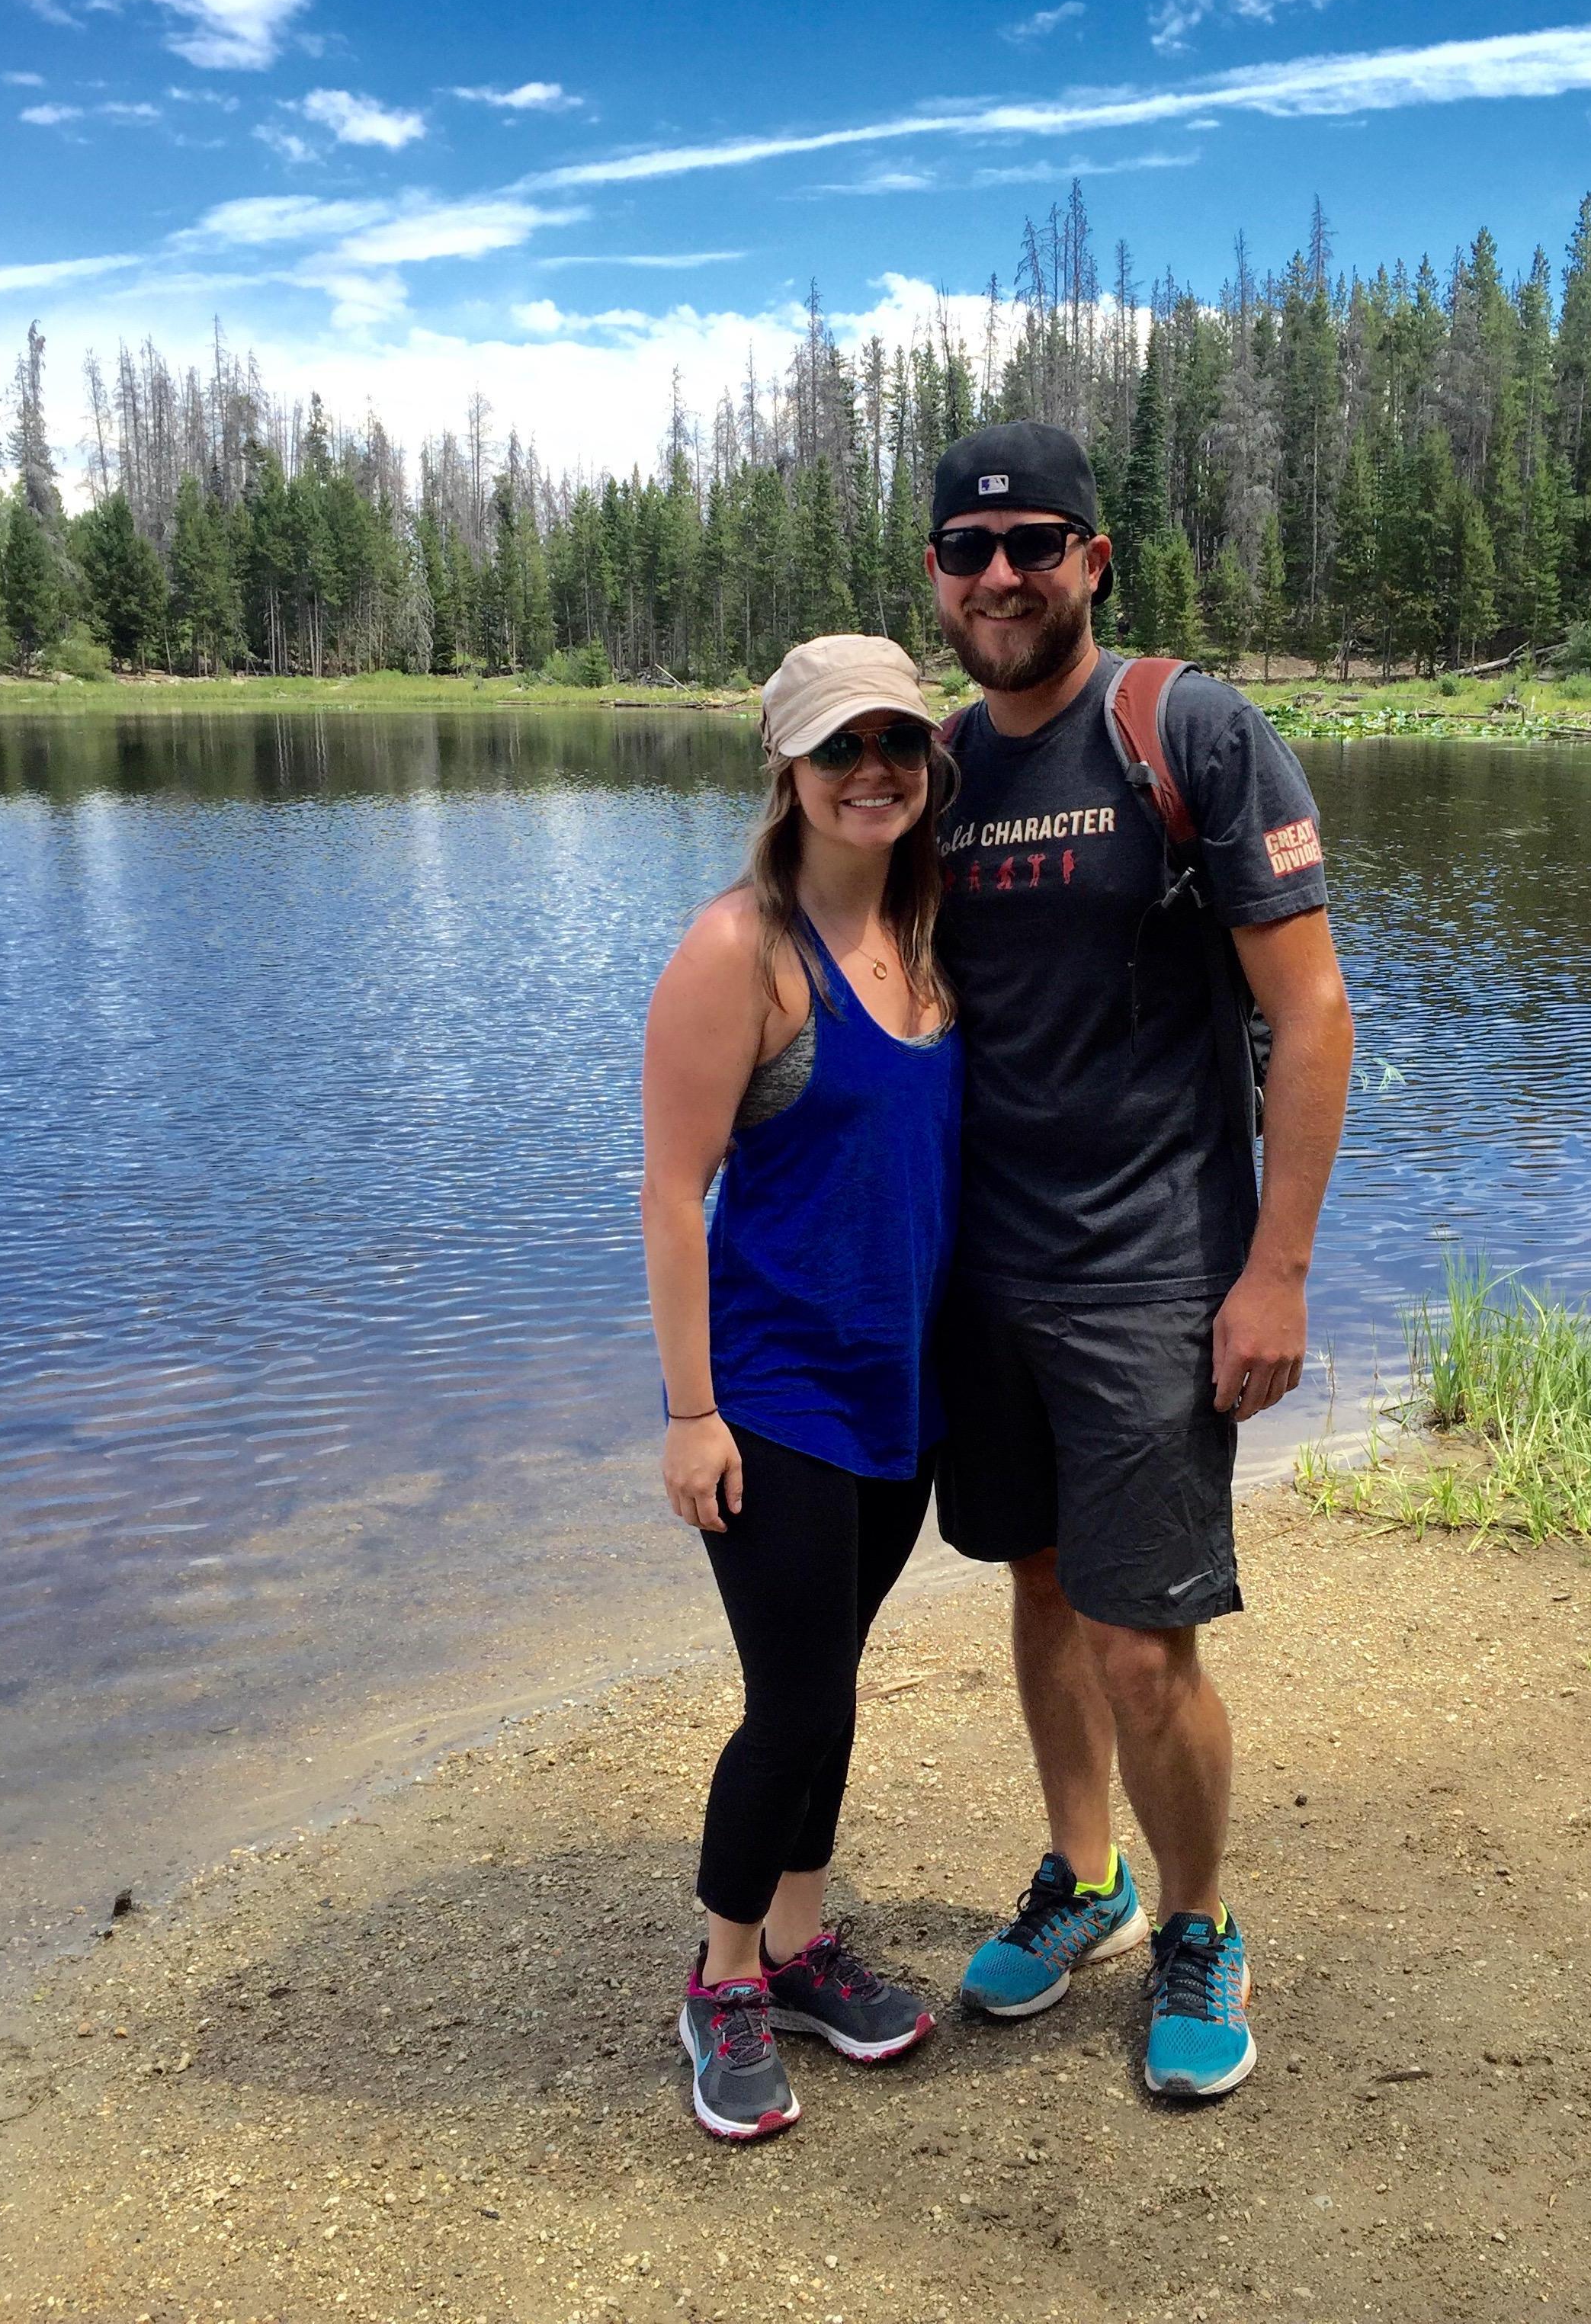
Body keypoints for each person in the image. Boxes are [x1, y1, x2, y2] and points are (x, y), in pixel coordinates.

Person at [923, 421, 1355, 2099]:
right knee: (1037, 1582)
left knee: (1142, 1639)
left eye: (1037, 543)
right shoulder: (939, 771)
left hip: (1151, 1272)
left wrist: (1280, 1271)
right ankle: (1083, 1876)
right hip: (986, 1272)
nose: (1004, 575)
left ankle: (1198, 1920)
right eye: (970, 551)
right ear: (939, 579)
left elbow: (1309, 1016)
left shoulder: (1185, 732)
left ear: (1095, 560)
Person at [639, 633, 961, 2143]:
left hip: (900, 1390)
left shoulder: (929, 928)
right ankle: (721, 1979)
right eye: (842, 749)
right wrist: (691, 1411)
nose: (873, 770)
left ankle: (802, 1937)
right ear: (787, 768)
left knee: (831, 1686)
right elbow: (671, 1191)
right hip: (774, 1397)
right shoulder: (739, 952)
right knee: (797, 1701)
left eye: (897, 741)